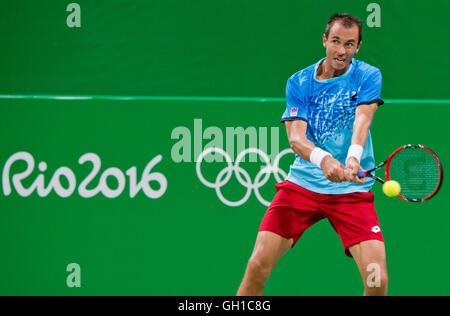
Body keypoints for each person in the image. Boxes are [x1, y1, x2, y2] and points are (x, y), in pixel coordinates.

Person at [237, 13, 387, 296]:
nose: (341, 51)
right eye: (335, 41)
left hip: (351, 193)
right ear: (324, 40)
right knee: (257, 265)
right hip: (302, 187)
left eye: (349, 44)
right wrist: (325, 160)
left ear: (358, 47)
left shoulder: (368, 75)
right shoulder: (299, 82)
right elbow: (296, 138)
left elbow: (363, 119)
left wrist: (353, 158)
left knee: (377, 279)